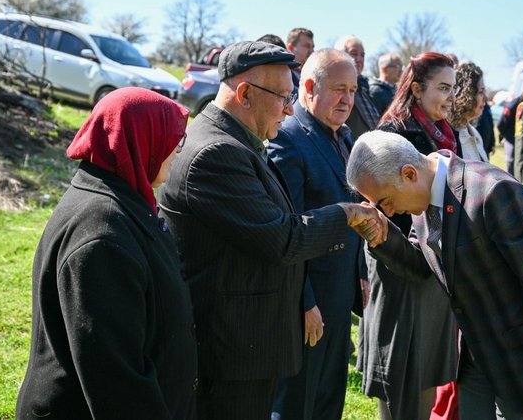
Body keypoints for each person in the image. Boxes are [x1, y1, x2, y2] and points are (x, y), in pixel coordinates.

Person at [156, 41, 385, 420]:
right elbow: (282, 237)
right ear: (244, 94)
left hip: (243, 340)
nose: (289, 108)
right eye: (282, 96)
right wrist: (346, 213)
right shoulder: (217, 152)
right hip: (229, 346)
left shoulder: (238, 141)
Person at [347, 130, 523, 420]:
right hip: (475, 363)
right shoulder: (423, 195)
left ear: (409, 174)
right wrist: (383, 238)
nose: (389, 211)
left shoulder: (493, 191)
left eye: (384, 201)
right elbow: (422, 264)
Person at [16, 88, 196, 419]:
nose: (178, 152)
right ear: (142, 140)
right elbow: (115, 379)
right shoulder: (102, 234)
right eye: (175, 141)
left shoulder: (121, 197)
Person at [268, 48, 367, 420]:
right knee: (295, 404)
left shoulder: (342, 135)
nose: (348, 99)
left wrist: (360, 275)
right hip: (307, 303)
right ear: (308, 87)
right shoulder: (288, 138)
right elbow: (288, 227)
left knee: (329, 401)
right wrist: (303, 302)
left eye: (353, 90)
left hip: (339, 296)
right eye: (340, 89)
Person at [360, 51, 459, 420]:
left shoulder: (448, 135)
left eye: (454, 88)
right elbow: (376, 211)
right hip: (402, 268)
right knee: (401, 378)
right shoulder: (393, 135)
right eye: (443, 88)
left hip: (436, 270)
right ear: (416, 88)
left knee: (425, 379)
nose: (451, 97)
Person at [335, 35, 381, 139]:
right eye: (353, 54)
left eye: (362, 55)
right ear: (339, 55)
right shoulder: (334, 89)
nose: (359, 59)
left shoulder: (365, 88)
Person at [448, 62, 490, 163]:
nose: (486, 98)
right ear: (467, 94)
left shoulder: (475, 134)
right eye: (481, 92)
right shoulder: (449, 137)